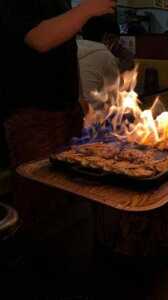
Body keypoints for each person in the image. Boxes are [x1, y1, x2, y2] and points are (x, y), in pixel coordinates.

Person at [0, 0, 116, 229]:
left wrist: (79, 96)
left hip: (67, 111)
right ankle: (40, 258)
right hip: (33, 115)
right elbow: (39, 40)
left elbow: (65, 50)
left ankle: (69, 253)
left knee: (70, 195)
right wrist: (86, 9)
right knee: (41, 200)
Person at [77, 39, 119, 124]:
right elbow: (114, 97)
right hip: (93, 119)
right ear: (109, 37)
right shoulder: (106, 55)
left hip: (62, 116)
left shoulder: (65, 47)